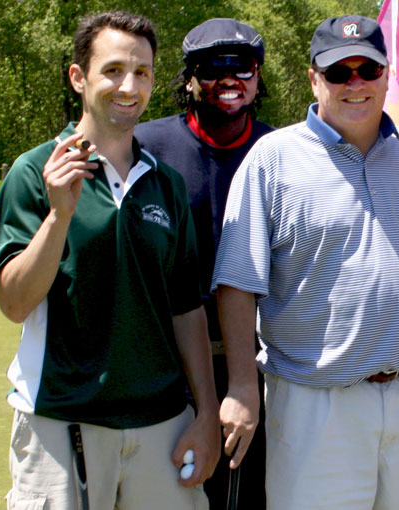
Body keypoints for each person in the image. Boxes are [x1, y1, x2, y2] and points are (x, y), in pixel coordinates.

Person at [0, 11, 220, 509]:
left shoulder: (165, 184)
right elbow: (15, 303)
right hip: (61, 425)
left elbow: (186, 310)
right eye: (112, 70)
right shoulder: (33, 172)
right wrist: (58, 216)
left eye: (143, 72)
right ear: (78, 76)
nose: (128, 86)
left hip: (162, 428)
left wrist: (207, 414)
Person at [212, 14, 399, 509]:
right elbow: (237, 282)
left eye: (368, 69)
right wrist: (240, 386)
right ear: (314, 79)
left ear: (387, 75)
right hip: (314, 404)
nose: (355, 83)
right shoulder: (272, 158)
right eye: (339, 72)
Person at [135, 18, 275, 509]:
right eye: (213, 66)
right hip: (164, 370)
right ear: (189, 77)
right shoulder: (143, 148)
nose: (229, 79)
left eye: (242, 66)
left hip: (264, 371)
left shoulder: (285, 151)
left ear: (258, 78)